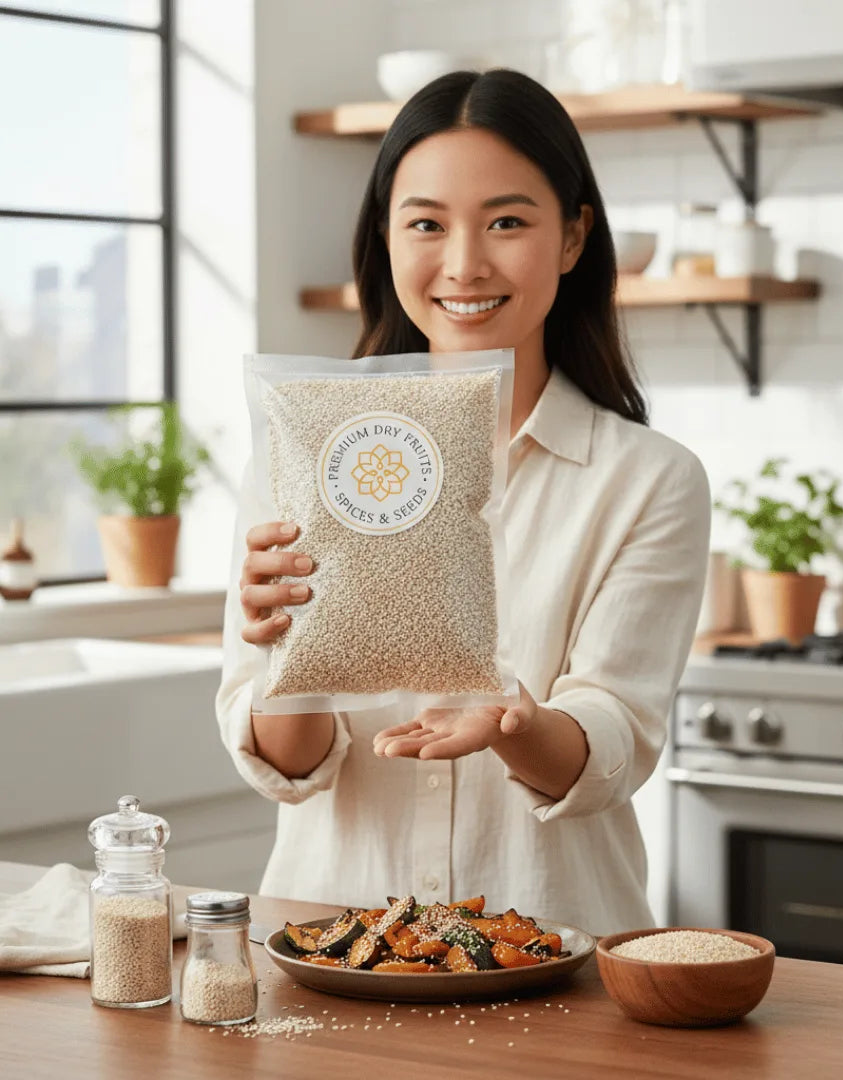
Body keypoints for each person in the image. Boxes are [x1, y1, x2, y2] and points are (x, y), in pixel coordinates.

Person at [216, 69, 710, 935]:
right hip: (337, 949)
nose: (464, 264)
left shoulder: (649, 482)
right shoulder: (304, 452)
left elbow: (613, 743)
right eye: (427, 225)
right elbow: (292, 766)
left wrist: (513, 720)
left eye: (508, 221)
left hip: (557, 954)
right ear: (386, 238)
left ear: (572, 237)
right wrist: (281, 656)